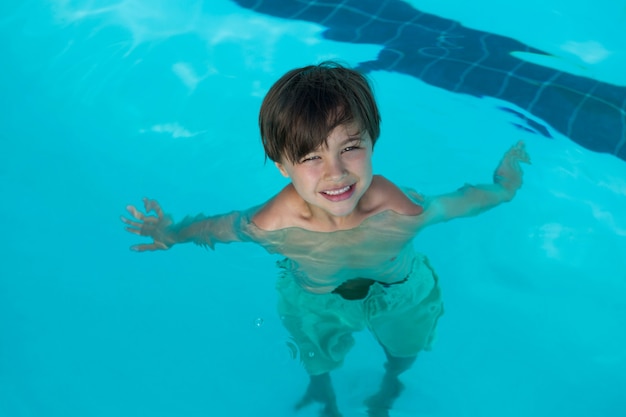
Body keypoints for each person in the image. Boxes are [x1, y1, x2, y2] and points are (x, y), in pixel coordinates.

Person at [121, 61, 531, 417]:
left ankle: (387, 391)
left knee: (405, 352)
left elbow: (456, 203)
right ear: (283, 165)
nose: (335, 173)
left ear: (372, 141)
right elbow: (219, 227)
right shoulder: (272, 224)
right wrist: (170, 233)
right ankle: (323, 396)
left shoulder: (397, 211)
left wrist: (504, 188)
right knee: (317, 358)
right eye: (311, 157)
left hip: (399, 289)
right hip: (315, 298)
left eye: (350, 147)